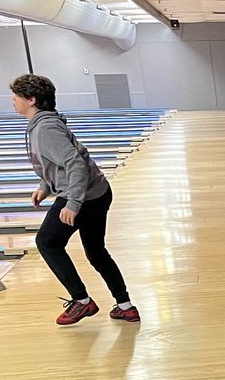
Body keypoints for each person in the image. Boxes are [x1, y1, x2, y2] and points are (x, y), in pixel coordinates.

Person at [10, 74, 139, 328]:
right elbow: (57, 163)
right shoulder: (45, 124)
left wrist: (73, 203)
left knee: (47, 242)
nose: (12, 101)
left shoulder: (45, 129)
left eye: (16, 96)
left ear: (31, 99)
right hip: (98, 191)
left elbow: (74, 163)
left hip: (82, 195)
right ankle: (125, 306)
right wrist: (45, 186)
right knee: (96, 252)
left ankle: (81, 300)